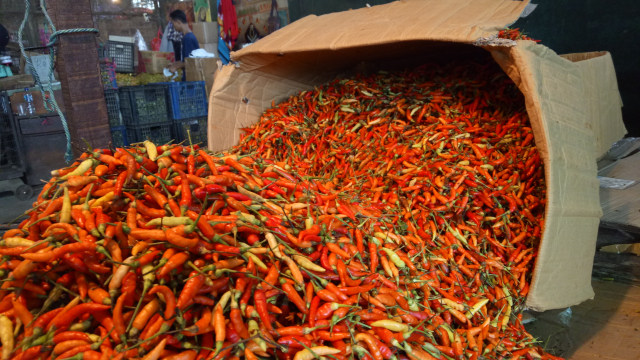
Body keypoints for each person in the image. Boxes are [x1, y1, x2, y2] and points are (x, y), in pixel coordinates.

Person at [167, 10, 199, 80]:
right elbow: (186, 60)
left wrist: (175, 67)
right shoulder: (188, 37)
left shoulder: (188, 38)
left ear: (178, 22)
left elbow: (191, 62)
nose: (173, 26)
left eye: (173, 23)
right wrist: (175, 64)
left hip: (191, 80)